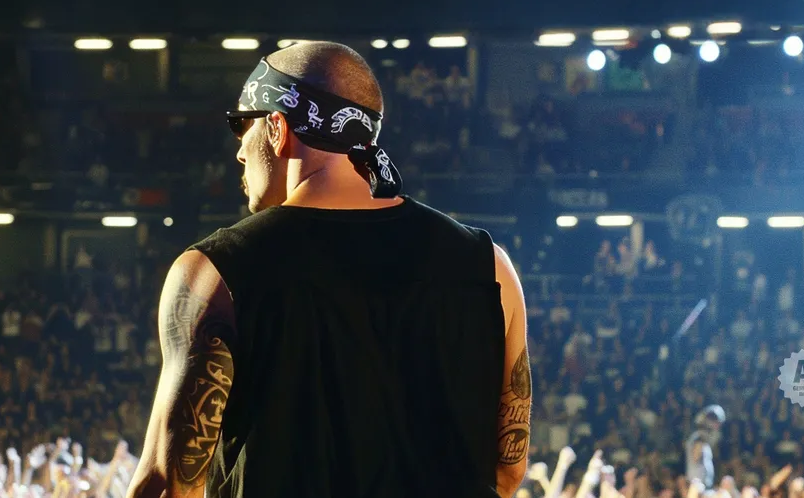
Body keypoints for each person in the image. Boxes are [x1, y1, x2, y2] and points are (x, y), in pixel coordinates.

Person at [126, 41, 531, 498]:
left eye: (242, 124)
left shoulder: (214, 275)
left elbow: (168, 483)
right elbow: (508, 471)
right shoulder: (490, 268)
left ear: (277, 128)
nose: (239, 150)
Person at [685, 405, 725, 489]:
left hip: (703, 485)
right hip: (697, 485)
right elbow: (696, 457)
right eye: (716, 422)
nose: (717, 426)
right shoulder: (699, 437)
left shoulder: (703, 439)